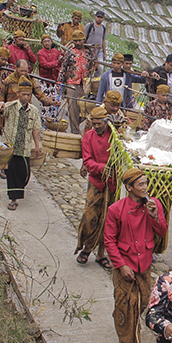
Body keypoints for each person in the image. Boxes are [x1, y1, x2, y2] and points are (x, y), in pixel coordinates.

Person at [104, 168, 168, 343]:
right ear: (129, 187)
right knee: (124, 303)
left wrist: (155, 215)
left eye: (146, 183)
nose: (145, 188)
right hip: (124, 263)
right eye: (140, 184)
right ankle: (123, 342)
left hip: (144, 263)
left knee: (142, 302)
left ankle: (124, 321)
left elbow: (162, 231)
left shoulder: (153, 204)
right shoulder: (115, 209)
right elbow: (109, 240)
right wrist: (121, 265)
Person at [76, 106, 117, 269]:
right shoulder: (88, 136)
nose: (96, 127)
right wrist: (101, 168)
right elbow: (87, 160)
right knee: (90, 215)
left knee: (108, 219)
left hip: (113, 183)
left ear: (106, 122)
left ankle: (101, 253)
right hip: (96, 180)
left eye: (99, 123)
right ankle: (86, 248)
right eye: (94, 124)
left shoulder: (115, 136)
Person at [0, 81, 42, 211]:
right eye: (23, 94)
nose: (25, 97)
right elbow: (0, 113)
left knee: (25, 173)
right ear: (18, 94)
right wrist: (0, 107)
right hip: (11, 146)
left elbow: (35, 128)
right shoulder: (10, 107)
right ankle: (13, 198)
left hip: (24, 147)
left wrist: (36, 145)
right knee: (12, 172)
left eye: (28, 95)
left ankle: (18, 189)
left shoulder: (33, 111)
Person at [58, 44, 88, 135]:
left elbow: (93, 66)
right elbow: (63, 67)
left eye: (80, 40)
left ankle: (76, 124)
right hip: (72, 83)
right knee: (73, 107)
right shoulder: (70, 52)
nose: (78, 42)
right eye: (76, 41)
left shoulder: (89, 53)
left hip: (85, 84)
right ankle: (75, 132)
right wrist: (60, 82)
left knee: (85, 110)